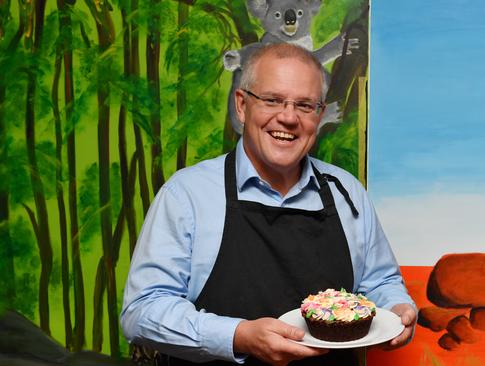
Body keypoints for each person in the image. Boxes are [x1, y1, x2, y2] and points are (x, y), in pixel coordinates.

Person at [120, 43, 416, 366]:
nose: (288, 118)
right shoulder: (186, 195)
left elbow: (381, 282)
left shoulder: (348, 194)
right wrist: (238, 336)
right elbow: (142, 311)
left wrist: (398, 309)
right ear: (242, 105)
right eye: (272, 100)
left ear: (319, 115)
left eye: (304, 105)